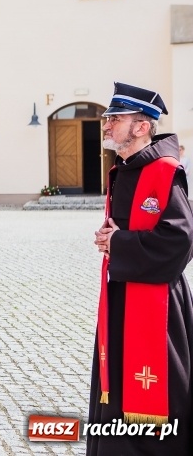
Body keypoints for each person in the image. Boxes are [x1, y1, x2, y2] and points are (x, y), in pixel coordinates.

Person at [90, 82, 193, 456]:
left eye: (115, 118)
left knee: (156, 400)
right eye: (108, 118)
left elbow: (180, 241)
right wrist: (109, 238)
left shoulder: (165, 171)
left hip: (157, 306)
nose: (106, 124)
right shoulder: (123, 169)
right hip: (120, 296)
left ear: (142, 126)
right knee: (115, 391)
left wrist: (119, 243)